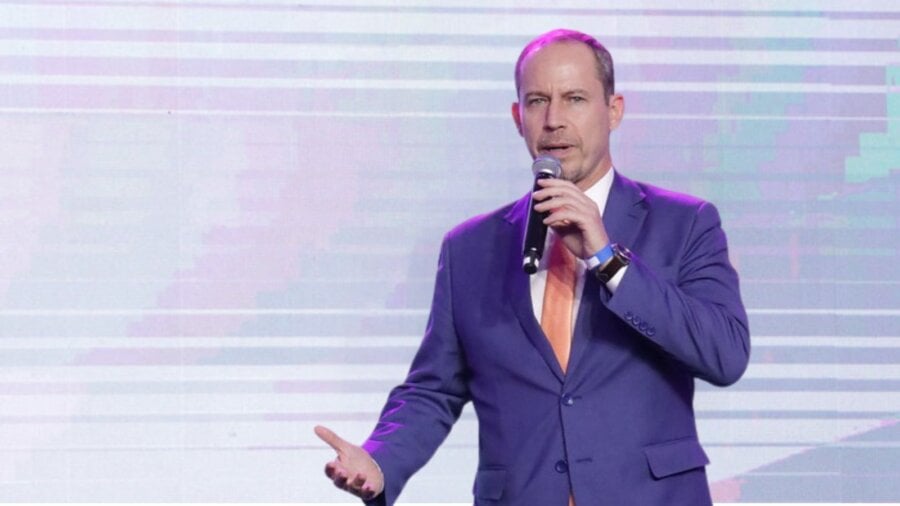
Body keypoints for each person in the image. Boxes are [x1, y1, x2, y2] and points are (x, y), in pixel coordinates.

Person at [315, 28, 750, 505]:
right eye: (538, 101)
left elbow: (725, 354)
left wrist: (607, 258)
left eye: (575, 98)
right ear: (517, 116)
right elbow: (432, 390)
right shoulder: (470, 249)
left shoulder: (685, 223)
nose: (555, 120)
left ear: (615, 109)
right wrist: (381, 460)